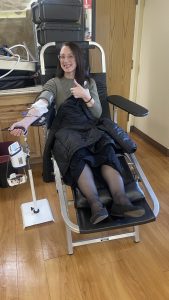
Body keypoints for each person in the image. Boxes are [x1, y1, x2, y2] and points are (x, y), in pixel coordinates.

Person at [10, 42, 145, 225]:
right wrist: (26, 121)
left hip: (89, 126)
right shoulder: (54, 83)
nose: (66, 61)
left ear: (78, 59)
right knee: (77, 151)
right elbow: (42, 102)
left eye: (70, 56)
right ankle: (95, 205)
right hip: (66, 130)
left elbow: (97, 113)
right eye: (62, 57)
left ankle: (121, 200)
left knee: (106, 147)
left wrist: (85, 95)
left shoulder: (89, 82)